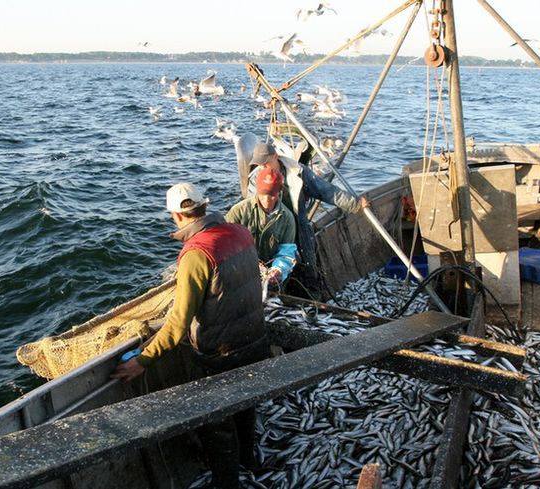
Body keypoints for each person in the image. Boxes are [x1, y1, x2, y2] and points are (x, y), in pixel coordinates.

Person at [112, 182, 269, 489]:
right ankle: (249, 461)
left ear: (177, 216)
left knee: (218, 426)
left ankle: (228, 483)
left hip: (221, 356)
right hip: (256, 343)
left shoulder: (197, 254)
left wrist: (143, 359)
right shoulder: (241, 232)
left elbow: (177, 325)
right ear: (204, 208)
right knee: (246, 407)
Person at [246, 142, 369, 297]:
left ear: (276, 156)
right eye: (259, 164)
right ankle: (279, 296)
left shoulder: (298, 172)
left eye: (266, 163)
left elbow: (326, 191)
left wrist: (355, 204)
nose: (263, 167)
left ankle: (312, 297)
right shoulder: (254, 179)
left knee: (308, 270)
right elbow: (251, 210)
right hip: (272, 232)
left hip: (298, 230)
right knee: (274, 275)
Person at [225, 166, 297, 287]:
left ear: (280, 192)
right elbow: (224, 244)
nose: (267, 200)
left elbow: (286, 252)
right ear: (257, 190)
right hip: (240, 273)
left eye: (272, 195)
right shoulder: (238, 211)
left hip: (270, 279)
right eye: (263, 194)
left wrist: (278, 270)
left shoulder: (288, 219)